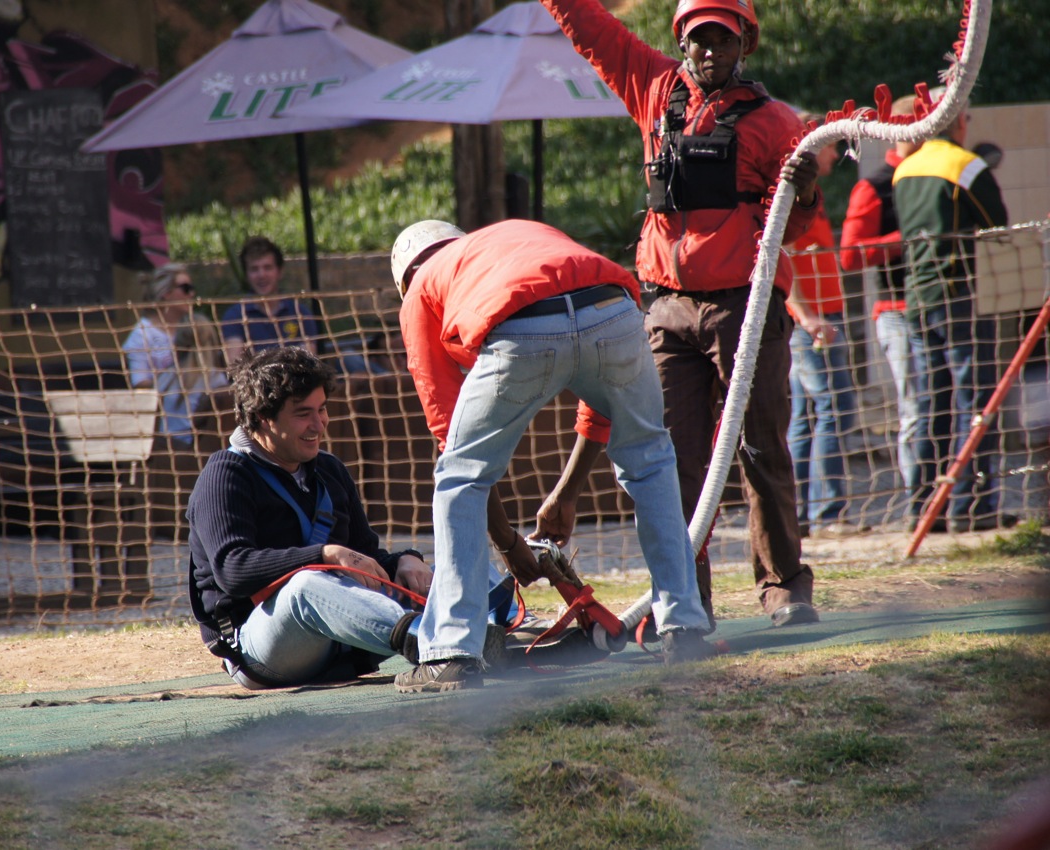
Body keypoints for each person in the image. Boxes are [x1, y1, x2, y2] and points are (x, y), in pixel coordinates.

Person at [540, 0, 823, 626]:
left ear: (745, 45)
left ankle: (784, 588)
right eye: (699, 40)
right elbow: (591, 30)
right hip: (666, 307)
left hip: (744, 307)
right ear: (682, 43)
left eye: (723, 40)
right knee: (669, 460)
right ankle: (685, 602)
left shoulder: (775, 123)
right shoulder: (652, 86)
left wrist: (804, 191)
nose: (710, 51)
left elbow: (795, 228)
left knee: (760, 448)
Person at [390, 218, 714, 693]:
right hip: (614, 307)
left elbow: (450, 438)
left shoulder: (422, 289)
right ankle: (684, 628)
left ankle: (452, 654)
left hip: (519, 322)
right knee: (650, 462)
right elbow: (596, 385)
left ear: (404, 279)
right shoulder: (510, 237)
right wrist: (568, 492)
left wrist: (508, 544)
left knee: (459, 479)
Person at [186, 346, 434, 690]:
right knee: (306, 585)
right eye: (303, 414)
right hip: (261, 648)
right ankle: (435, 644)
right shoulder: (225, 475)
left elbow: (365, 559)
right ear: (262, 417)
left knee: (448, 570)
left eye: (322, 409)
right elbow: (233, 570)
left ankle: (496, 630)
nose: (319, 424)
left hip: (343, 637)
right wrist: (324, 555)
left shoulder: (329, 469)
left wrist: (405, 561)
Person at [893, 92, 1011, 532]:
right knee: (974, 401)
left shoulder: (904, 169)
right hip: (956, 294)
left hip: (916, 298)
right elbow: (997, 223)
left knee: (932, 405)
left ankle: (925, 509)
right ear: (958, 121)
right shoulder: (966, 165)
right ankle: (973, 507)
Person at [839, 94, 926, 529]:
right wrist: (904, 238)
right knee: (915, 409)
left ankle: (954, 500)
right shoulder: (874, 186)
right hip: (898, 312)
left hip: (941, 308)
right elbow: (849, 255)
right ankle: (919, 504)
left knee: (948, 407)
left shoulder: (935, 174)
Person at [783, 121, 863, 539]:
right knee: (834, 408)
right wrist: (806, 316)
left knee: (806, 417)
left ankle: (798, 515)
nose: (837, 154)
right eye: (833, 147)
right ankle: (828, 514)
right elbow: (782, 257)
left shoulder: (811, 195)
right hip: (813, 323)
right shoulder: (791, 198)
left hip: (817, 318)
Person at [121, 263, 204, 445]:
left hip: (199, 415)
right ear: (166, 293)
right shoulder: (142, 335)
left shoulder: (193, 328)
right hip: (161, 425)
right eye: (185, 288)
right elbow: (141, 384)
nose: (191, 294)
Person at [220, 237, 320, 367]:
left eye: (267, 267)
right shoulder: (234, 316)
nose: (261, 275)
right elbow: (235, 366)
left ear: (279, 272)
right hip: (253, 380)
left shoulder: (300, 313)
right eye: (254, 269)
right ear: (247, 275)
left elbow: (308, 365)